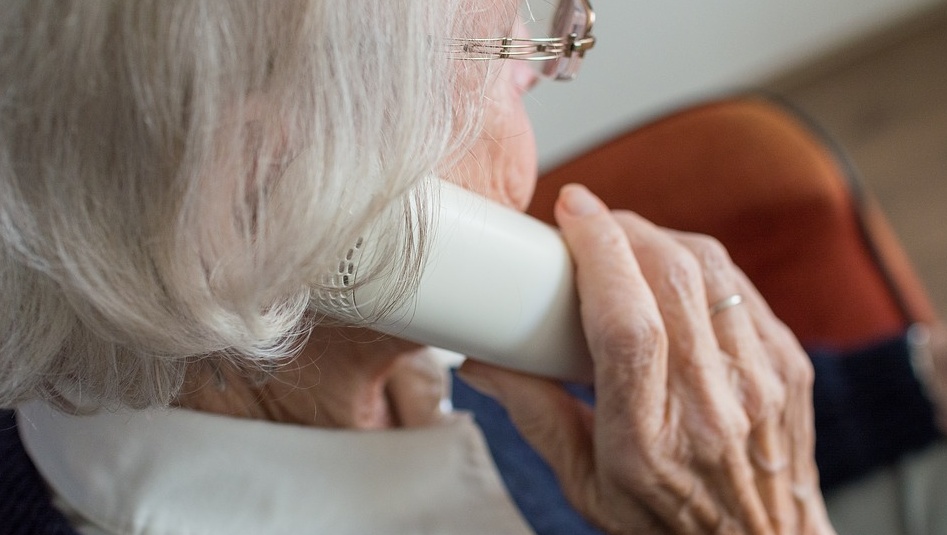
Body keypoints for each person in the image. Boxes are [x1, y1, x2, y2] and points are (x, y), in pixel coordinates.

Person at [0, 1, 839, 533]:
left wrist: (894, 380)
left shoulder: (397, 336)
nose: (540, 59)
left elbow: (681, 435)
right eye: (501, 36)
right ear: (265, 197)